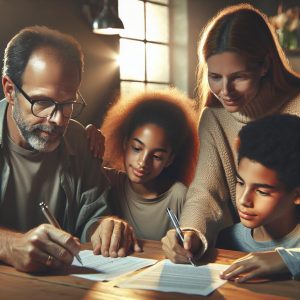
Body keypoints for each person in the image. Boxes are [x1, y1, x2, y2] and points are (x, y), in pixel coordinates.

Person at [161, 3, 300, 266]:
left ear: (265, 66)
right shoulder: (214, 117)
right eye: (215, 77)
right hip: (250, 251)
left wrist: (289, 260)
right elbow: (206, 191)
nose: (225, 91)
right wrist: (191, 232)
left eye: (239, 77)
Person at [0, 25, 134, 273]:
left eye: (67, 104)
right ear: (9, 90)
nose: (58, 119)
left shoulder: (80, 139)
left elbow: (94, 215)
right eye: (43, 102)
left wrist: (105, 227)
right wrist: (8, 244)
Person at [87, 90, 198, 241]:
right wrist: (86, 136)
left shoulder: (179, 196)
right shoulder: (109, 181)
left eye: (157, 156)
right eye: (137, 148)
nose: (143, 162)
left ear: (170, 159)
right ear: (125, 143)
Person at [215, 114, 300, 282]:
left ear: (297, 195)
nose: (243, 200)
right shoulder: (228, 238)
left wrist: (287, 260)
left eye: (262, 192)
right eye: (240, 182)